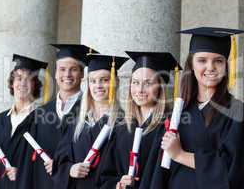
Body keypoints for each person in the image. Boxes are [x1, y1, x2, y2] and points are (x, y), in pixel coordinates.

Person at [143, 27, 244, 189]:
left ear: (226, 66)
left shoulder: (237, 111)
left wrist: (180, 155)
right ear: (191, 65)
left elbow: (237, 169)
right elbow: (158, 173)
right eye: (202, 60)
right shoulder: (177, 113)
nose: (210, 67)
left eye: (218, 61)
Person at [97, 51, 181, 189]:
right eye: (135, 83)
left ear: (160, 86)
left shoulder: (170, 126)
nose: (140, 90)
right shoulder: (122, 127)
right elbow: (106, 174)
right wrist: (118, 184)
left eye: (148, 83)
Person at [52, 53, 128, 189]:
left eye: (104, 80)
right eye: (92, 81)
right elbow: (59, 162)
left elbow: (123, 170)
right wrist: (70, 169)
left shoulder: (123, 123)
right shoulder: (74, 121)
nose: (97, 85)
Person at [0, 54, 48, 189]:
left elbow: (47, 165)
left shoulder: (44, 120)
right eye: (19, 78)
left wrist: (22, 174)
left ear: (35, 84)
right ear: (12, 83)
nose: (22, 83)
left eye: (28, 79)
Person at [33, 44, 98, 189]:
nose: (67, 75)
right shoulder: (40, 113)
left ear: (82, 75)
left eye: (73, 69)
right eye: (62, 69)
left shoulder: (91, 111)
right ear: (55, 74)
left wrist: (62, 168)